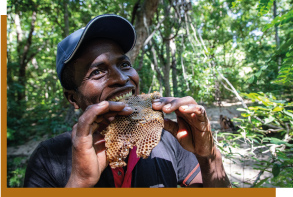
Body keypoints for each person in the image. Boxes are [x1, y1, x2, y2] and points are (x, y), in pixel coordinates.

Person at [24, 14, 231, 188]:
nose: (122, 78)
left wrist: (209, 156)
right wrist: (80, 181)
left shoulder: (166, 137)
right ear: (73, 98)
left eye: (124, 64)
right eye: (97, 71)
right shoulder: (48, 158)